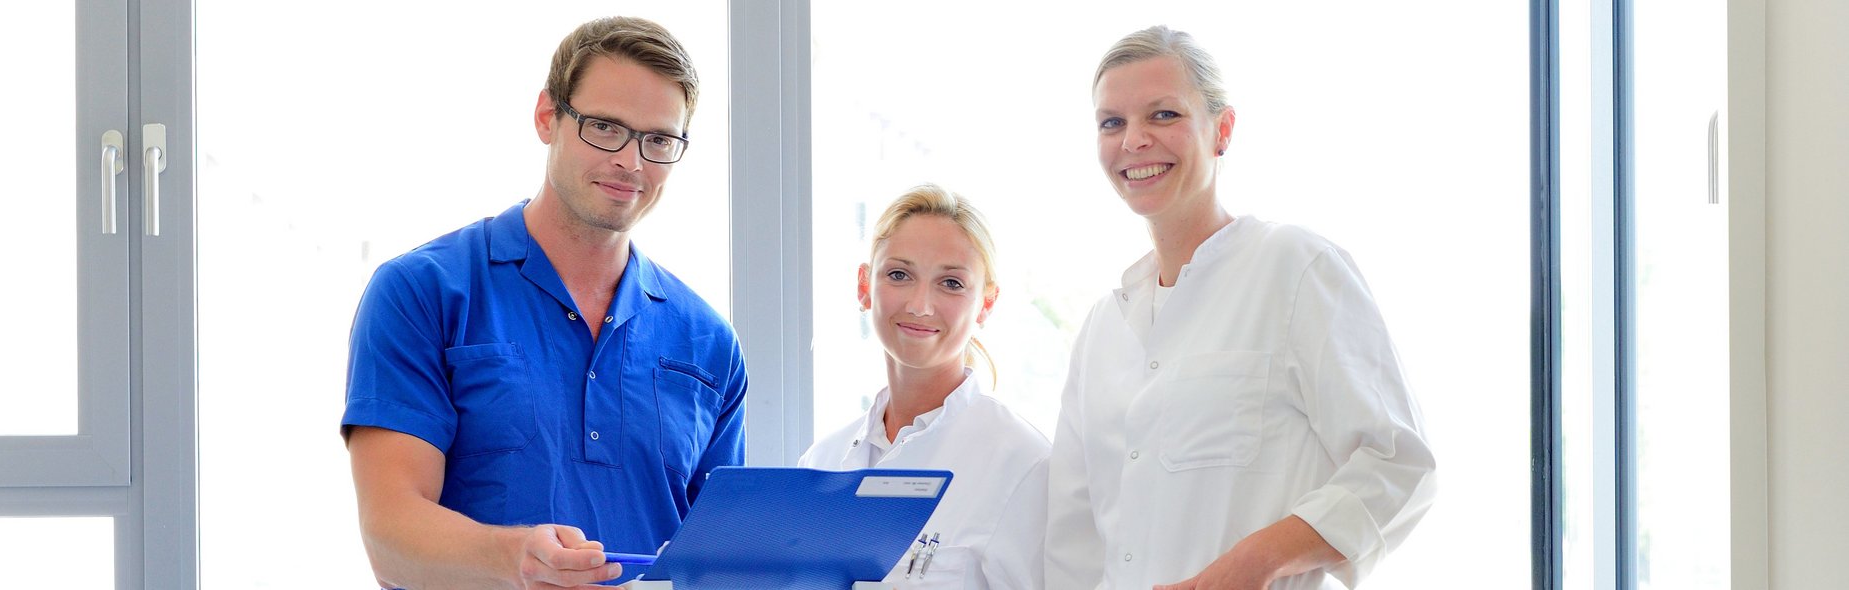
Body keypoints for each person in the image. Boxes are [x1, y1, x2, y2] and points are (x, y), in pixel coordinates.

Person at [340, 16, 745, 589]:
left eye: (658, 140)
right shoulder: (421, 292)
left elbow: (720, 560)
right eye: (605, 127)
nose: (631, 162)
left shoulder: (710, 342)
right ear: (547, 117)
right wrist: (515, 559)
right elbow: (391, 537)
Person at [1044, 26, 1437, 590]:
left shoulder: (1295, 267)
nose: (1133, 141)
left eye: (1163, 115)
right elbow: (1073, 540)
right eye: (1112, 123)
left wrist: (1258, 559)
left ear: (1221, 131)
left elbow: (1400, 464)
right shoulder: (1103, 327)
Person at [799, 184, 1049, 589]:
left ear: (986, 303)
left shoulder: (1023, 463)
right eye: (899, 274)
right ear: (864, 286)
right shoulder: (820, 463)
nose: (920, 304)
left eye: (950, 283)